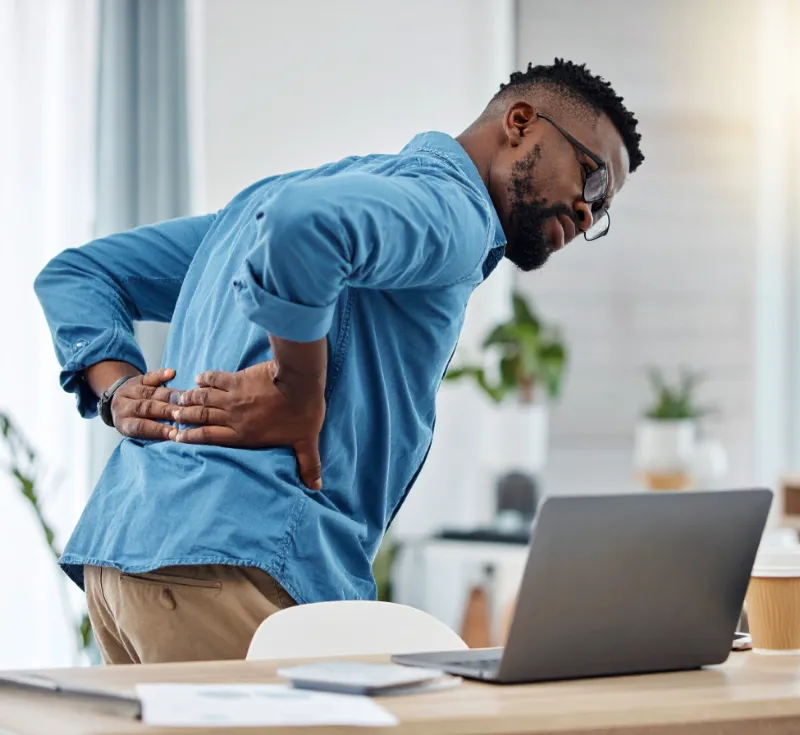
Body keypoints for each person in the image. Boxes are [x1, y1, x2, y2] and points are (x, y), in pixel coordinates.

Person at [35, 59, 644, 664]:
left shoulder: (264, 201)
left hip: (127, 564)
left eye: (604, 211)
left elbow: (80, 275)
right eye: (592, 180)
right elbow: (306, 230)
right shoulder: (457, 209)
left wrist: (118, 392)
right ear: (519, 122)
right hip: (234, 570)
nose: (590, 212)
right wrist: (297, 390)